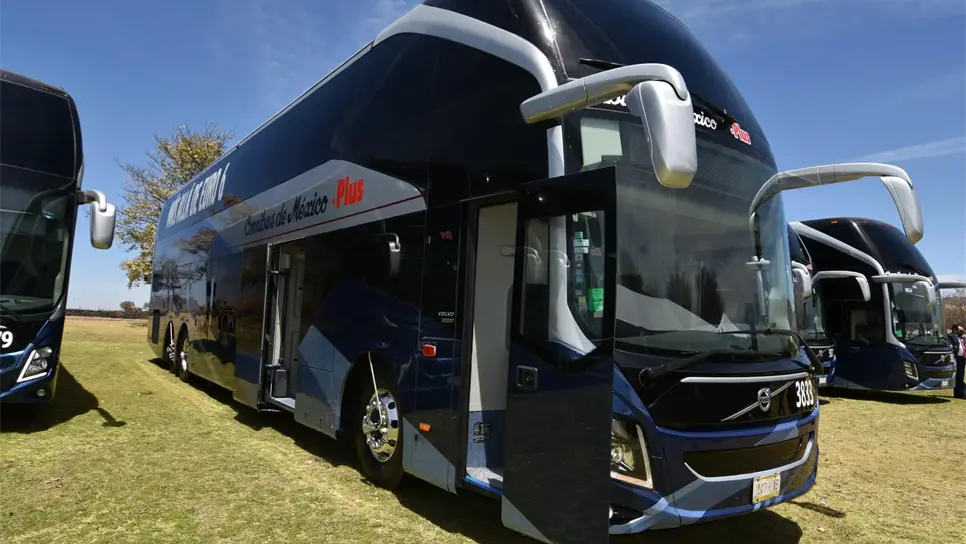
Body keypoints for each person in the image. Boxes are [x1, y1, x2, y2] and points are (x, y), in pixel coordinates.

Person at [949, 324, 966, 400]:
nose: (962, 330)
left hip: (962, 359)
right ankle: (961, 392)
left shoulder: (961, 338)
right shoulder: (952, 336)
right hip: (957, 358)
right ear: (955, 329)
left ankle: (958, 393)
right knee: (958, 376)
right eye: (960, 329)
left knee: (961, 376)